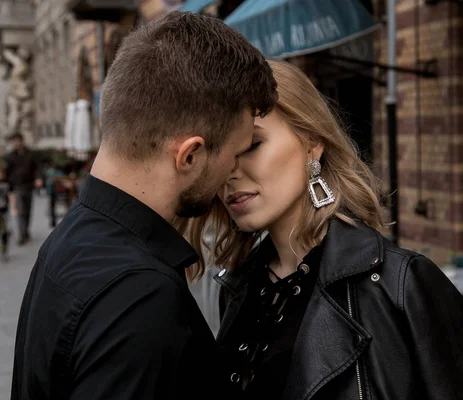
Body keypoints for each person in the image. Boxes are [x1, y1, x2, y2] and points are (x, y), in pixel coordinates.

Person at [182, 60, 463, 400]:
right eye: (221, 153)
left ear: (311, 143)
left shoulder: (403, 287)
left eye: (252, 145)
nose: (230, 171)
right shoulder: (239, 287)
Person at [11, 11, 277, 400]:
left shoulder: (73, 239)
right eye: (238, 153)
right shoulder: (141, 298)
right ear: (189, 155)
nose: (235, 172)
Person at [4, 132, 42, 245]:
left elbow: (37, 168)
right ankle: (21, 234)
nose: (15, 143)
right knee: (20, 210)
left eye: (17, 141)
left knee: (27, 211)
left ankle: (25, 231)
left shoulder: (30, 154)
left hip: (29, 186)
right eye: (13, 141)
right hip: (17, 186)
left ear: (21, 141)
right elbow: (7, 172)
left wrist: (38, 178)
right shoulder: (10, 156)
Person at [0, 165, 13, 260]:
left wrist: (13, 208)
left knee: (4, 231)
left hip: (4, 210)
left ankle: (4, 251)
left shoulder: (7, 183)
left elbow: (11, 195)